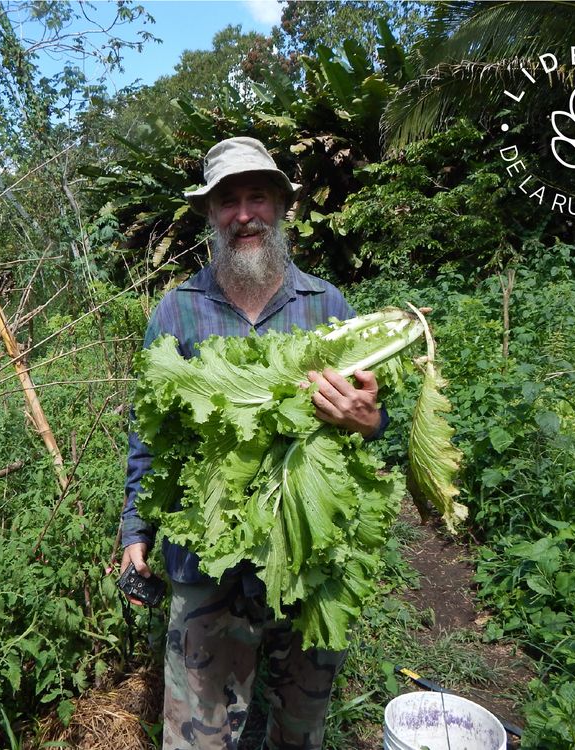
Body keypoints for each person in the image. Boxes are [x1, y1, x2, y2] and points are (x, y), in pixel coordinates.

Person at [120, 136, 387, 750]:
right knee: (196, 736)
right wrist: (136, 531)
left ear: (281, 208)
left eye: (257, 197)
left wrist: (366, 421)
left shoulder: (328, 306)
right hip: (203, 558)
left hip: (305, 553)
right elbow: (147, 437)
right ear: (211, 216)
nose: (244, 214)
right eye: (228, 201)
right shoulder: (178, 312)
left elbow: (374, 423)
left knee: (300, 727)